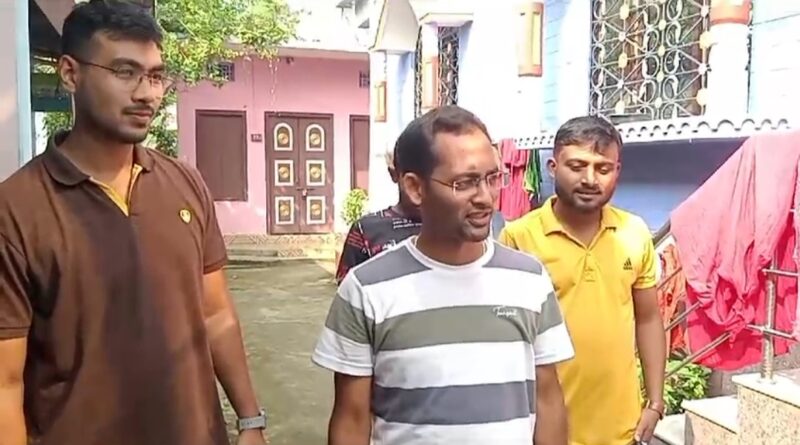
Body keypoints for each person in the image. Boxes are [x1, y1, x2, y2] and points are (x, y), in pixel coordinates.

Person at [0, 2, 267, 445]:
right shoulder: (16, 210)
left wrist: (250, 419)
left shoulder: (184, 184)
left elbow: (216, 314)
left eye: (156, 76)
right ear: (70, 73)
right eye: (125, 72)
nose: (147, 94)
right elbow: (6, 383)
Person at [312, 105, 575, 445]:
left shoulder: (530, 280)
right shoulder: (366, 290)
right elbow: (351, 419)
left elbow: (548, 399)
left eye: (492, 178)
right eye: (464, 183)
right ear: (414, 188)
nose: (485, 198)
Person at [498, 116, 666, 445]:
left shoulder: (634, 233)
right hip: (545, 432)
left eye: (603, 168)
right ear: (553, 167)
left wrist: (655, 403)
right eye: (577, 166)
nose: (590, 179)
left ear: (617, 171)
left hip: (623, 429)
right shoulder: (519, 238)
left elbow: (648, 319)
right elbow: (504, 341)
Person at [335, 151, 421, 284]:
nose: (421, 189)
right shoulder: (365, 230)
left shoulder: (450, 228)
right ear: (394, 174)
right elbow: (347, 286)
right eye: (412, 181)